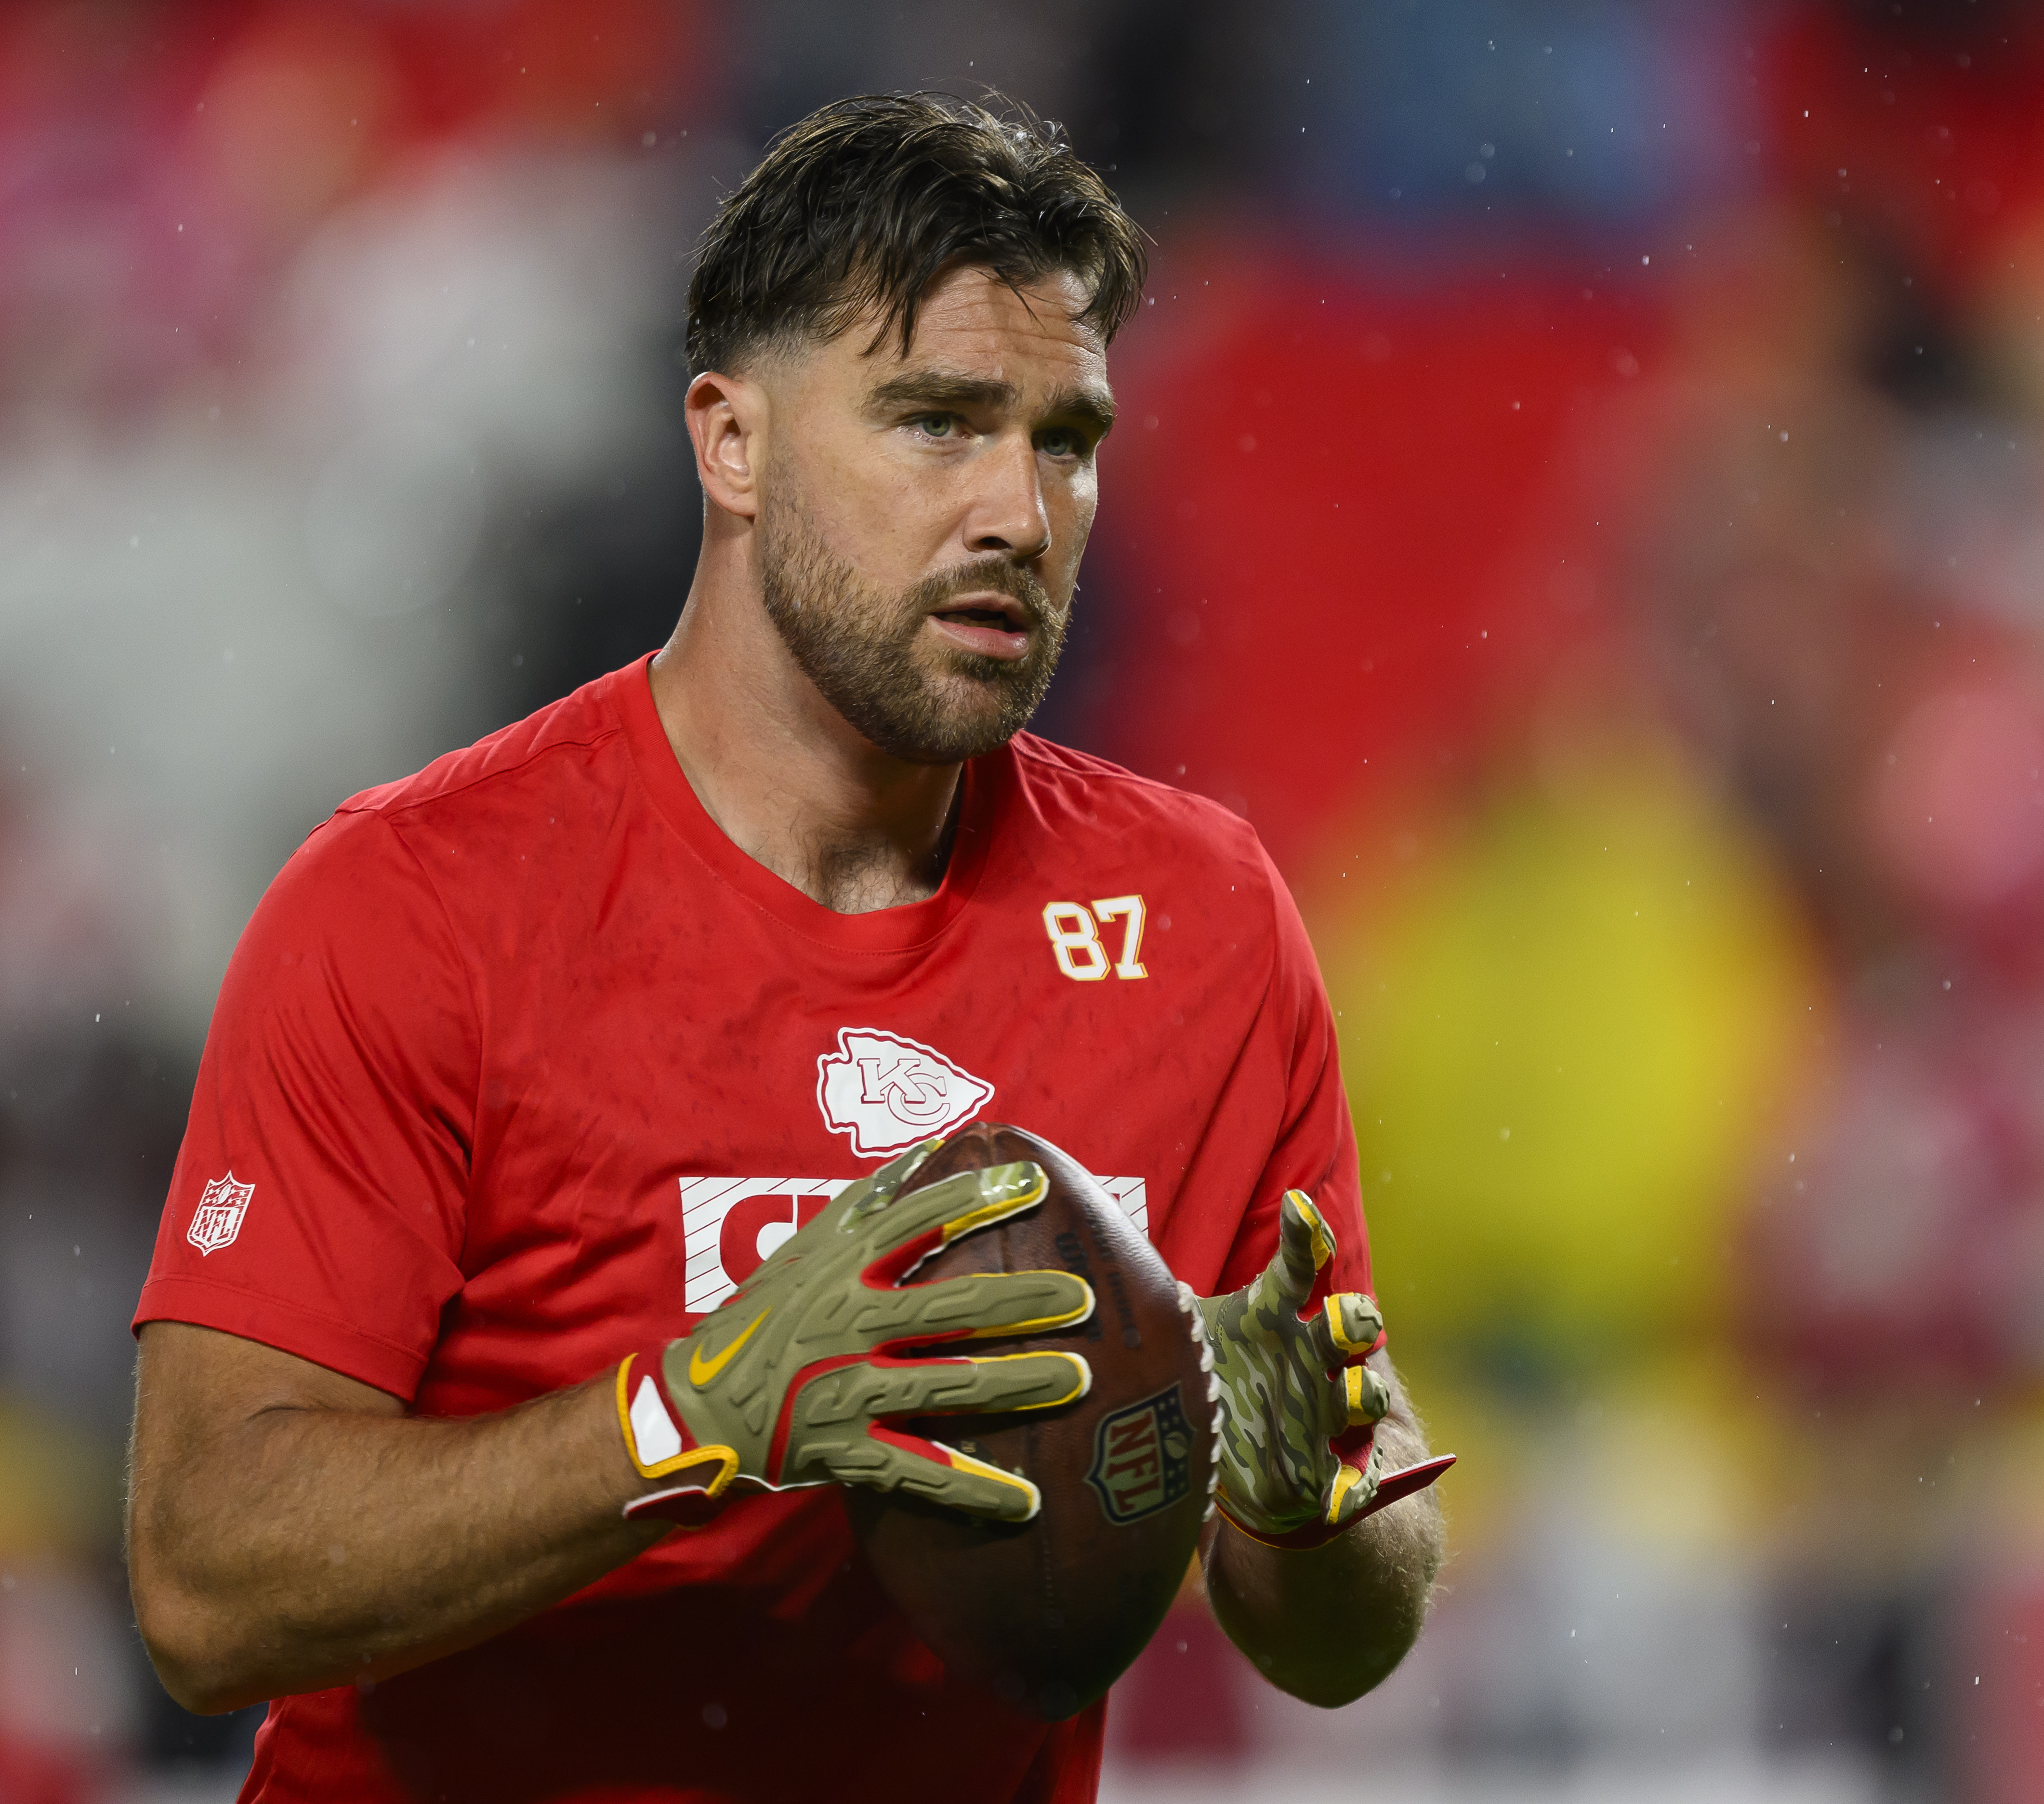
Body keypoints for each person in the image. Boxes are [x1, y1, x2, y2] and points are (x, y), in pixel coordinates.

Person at [125, 92, 1449, 1804]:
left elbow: (1338, 1638)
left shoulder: (1200, 924)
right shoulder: (412, 908)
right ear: (729, 442)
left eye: (1065, 439)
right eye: (936, 421)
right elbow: (204, 1588)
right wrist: (697, 1412)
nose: (1019, 515)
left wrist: (1307, 1512)